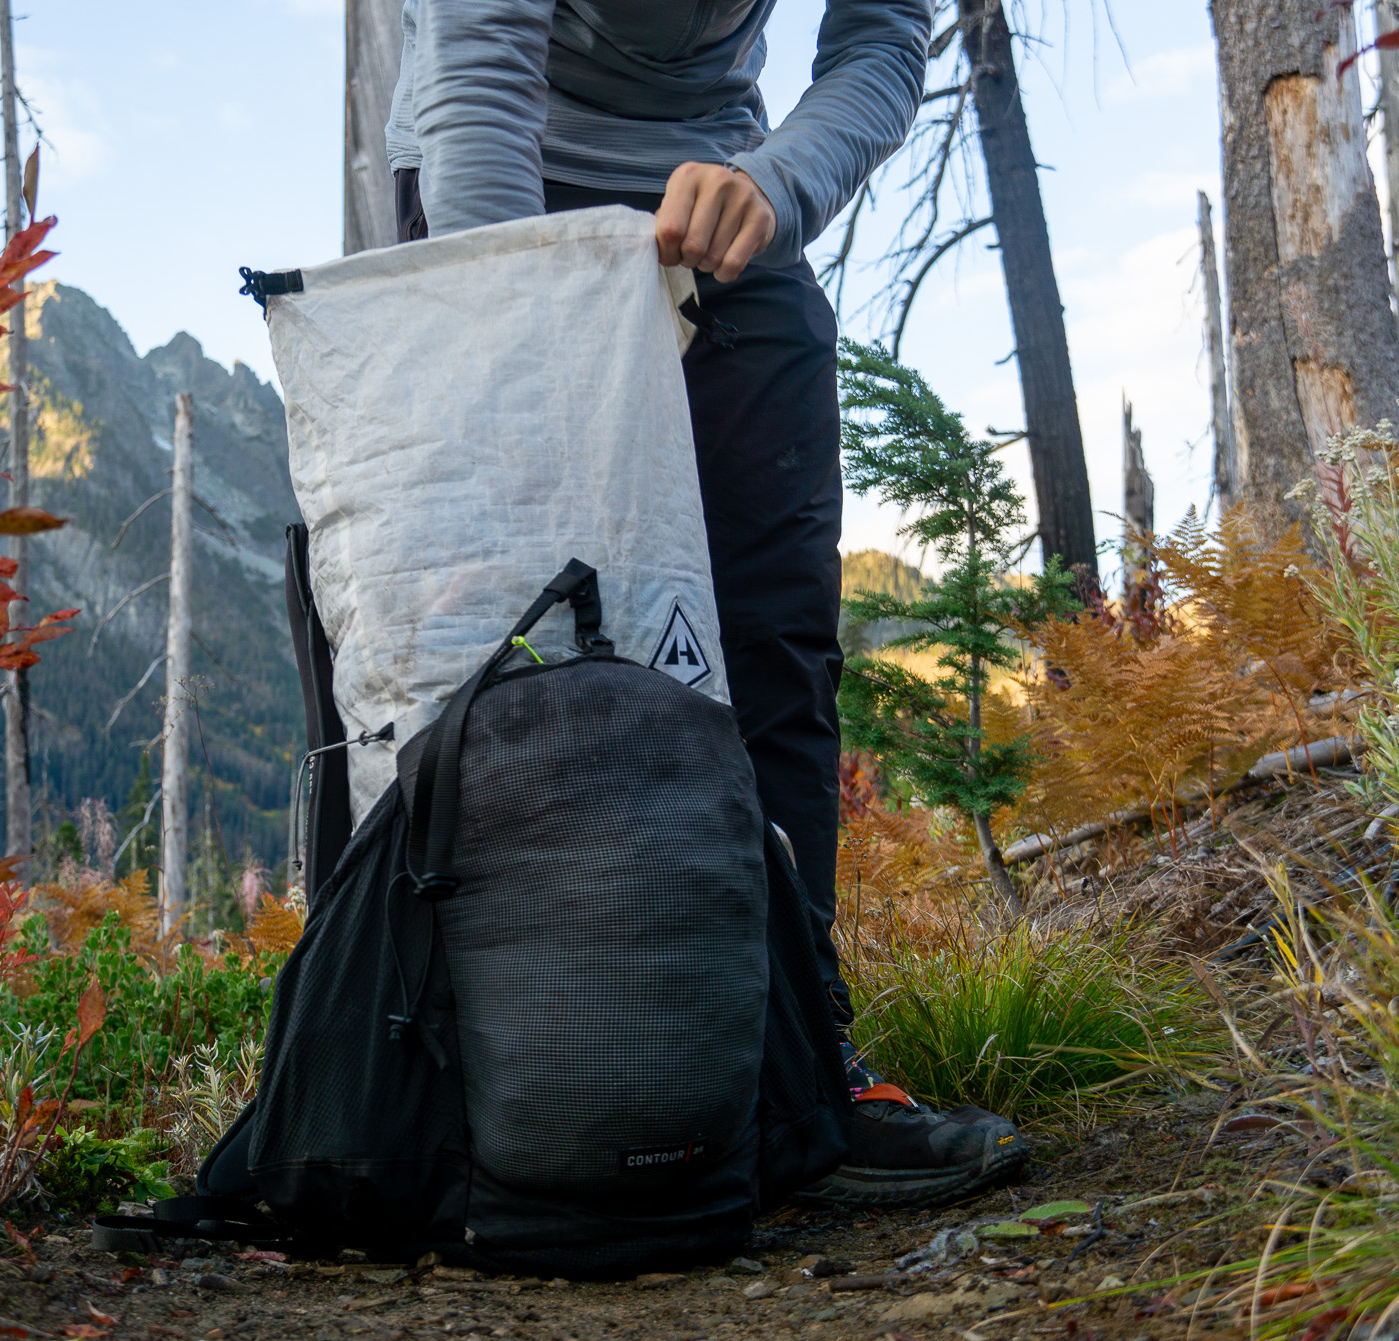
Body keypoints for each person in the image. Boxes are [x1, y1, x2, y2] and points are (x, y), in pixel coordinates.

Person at [385, 0, 1027, 1209]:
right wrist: (512, 343)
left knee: (771, 631)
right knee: (519, 639)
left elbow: (882, 40)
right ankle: (502, 1097)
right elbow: (476, 61)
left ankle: (803, 1076)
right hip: (498, 162)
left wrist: (772, 184)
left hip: (722, 197)